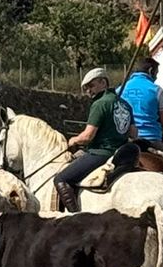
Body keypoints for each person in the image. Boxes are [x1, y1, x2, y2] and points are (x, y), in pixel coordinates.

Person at [51, 68, 136, 213]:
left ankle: (75, 217)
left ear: (103, 82)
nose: (89, 91)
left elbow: (88, 136)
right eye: (86, 88)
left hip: (101, 153)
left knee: (61, 179)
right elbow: (134, 133)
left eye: (91, 86)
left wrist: (73, 140)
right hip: (121, 153)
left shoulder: (99, 104)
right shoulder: (125, 105)